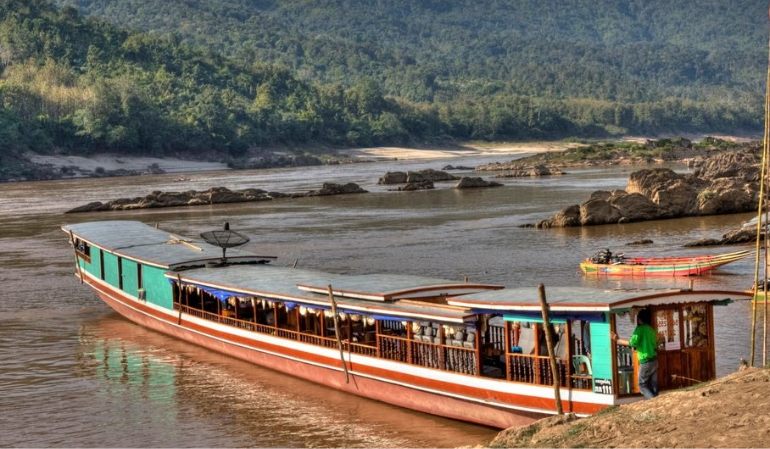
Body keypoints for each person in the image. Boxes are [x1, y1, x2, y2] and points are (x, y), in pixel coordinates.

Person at [616, 308, 658, 399]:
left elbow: (632, 343)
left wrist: (617, 340)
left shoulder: (640, 329)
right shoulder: (651, 330)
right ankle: (656, 401)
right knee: (653, 384)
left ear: (639, 319)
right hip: (654, 360)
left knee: (642, 384)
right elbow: (655, 344)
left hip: (645, 361)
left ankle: (653, 401)